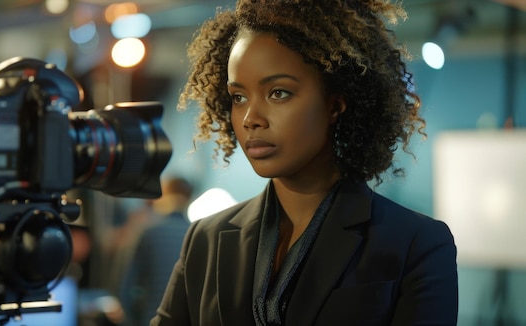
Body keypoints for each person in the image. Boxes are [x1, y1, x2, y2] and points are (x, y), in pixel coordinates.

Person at [151, 0, 458, 325]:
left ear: (335, 105)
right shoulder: (205, 239)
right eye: (238, 97)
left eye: (278, 93)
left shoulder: (415, 243)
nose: (251, 118)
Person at [120, 177, 193, 326]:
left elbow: (126, 288)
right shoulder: (198, 235)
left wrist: (133, 320)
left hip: (151, 318)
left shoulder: (150, 233)